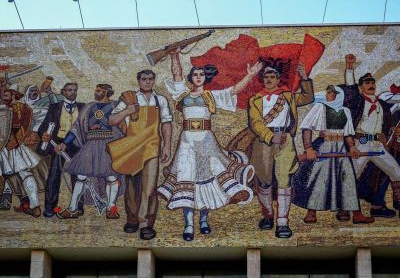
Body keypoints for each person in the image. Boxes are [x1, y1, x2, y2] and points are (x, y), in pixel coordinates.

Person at [157, 50, 260, 241]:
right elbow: (176, 74)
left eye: (201, 74)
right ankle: (188, 225)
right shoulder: (182, 94)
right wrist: (174, 55)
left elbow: (234, 90)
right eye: (195, 74)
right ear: (191, 78)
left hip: (206, 140)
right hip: (187, 142)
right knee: (187, 179)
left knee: (207, 178)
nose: (198, 77)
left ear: (205, 77)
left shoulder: (212, 95)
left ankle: (204, 221)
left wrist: (250, 74)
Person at [292, 85, 374, 224]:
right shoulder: (319, 107)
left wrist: (352, 147)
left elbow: (348, 133)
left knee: (347, 179)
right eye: (327, 91)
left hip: (341, 148)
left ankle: (356, 214)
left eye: (330, 92)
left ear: (338, 95)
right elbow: (307, 128)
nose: (327, 94)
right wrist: (309, 148)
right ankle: (312, 212)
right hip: (324, 146)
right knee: (319, 178)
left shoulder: (345, 111)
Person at [248, 64, 314, 238]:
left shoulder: (288, 96)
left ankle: (283, 222)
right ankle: (268, 214)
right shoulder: (255, 99)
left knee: (284, 180)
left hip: (285, 140)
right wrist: (270, 136)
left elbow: (308, 97)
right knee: (264, 180)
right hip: (264, 141)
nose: (269, 80)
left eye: (272, 77)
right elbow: (255, 123)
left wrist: (304, 77)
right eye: (266, 77)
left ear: (278, 80)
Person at [108, 70, 172, 240]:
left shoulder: (161, 100)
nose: (148, 82)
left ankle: (145, 224)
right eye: (144, 79)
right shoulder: (130, 98)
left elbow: (166, 124)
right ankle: (132, 219)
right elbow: (112, 120)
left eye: (150, 79)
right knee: (131, 187)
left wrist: (167, 146)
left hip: (152, 147)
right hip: (132, 148)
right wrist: (127, 111)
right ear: (139, 81)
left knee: (149, 188)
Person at [339, 54, 400, 218]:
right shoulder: (358, 101)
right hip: (361, 143)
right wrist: (349, 67)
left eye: (372, 82)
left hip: (377, 146)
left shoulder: (382, 105)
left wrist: (385, 137)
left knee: (396, 171)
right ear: (361, 87)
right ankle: (344, 208)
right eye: (367, 83)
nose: (371, 85)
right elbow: (350, 88)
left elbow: (389, 121)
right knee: (352, 176)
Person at [55, 84, 124, 219]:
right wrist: (64, 143)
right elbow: (76, 127)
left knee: (111, 177)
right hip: (90, 146)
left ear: (106, 92)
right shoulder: (89, 107)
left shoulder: (116, 106)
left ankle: (111, 209)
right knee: (80, 176)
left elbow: (124, 126)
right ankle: (72, 209)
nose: (96, 92)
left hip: (109, 145)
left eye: (98, 91)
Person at [37, 82, 85, 218]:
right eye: (70, 90)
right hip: (58, 145)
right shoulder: (54, 107)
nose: (73, 92)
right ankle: (49, 208)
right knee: (54, 176)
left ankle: (78, 207)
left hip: (77, 146)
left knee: (78, 176)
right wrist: (44, 134)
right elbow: (43, 127)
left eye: (75, 90)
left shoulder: (83, 107)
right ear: (63, 92)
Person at [0, 87, 41, 217]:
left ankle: (34, 206)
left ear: (13, 94)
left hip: (11, 145)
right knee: (20, 174)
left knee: (23, 173)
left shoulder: (22, 108)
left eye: (6, 93)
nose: (3, 95)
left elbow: (25, 126)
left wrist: (15, 141)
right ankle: (31, 205)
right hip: (5, 144)